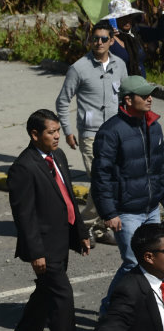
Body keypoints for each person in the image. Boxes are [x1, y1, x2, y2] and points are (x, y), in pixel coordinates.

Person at [6, 109, 90, 331]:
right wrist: (36, 253)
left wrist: (81, 232)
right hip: (44, 247)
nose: (56, 137)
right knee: (62, 297)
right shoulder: (23, 168)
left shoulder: (58, 156)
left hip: (61, 241)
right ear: (35, 135)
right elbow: (25, 215)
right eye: (51, 132)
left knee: (44, 296)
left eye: (57, 131)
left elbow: (68, 198)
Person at [90, 75, 164, 309]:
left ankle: (149, 309)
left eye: (150, 94)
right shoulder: (110, 132)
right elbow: (101, 175)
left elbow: (160, 170)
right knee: (133, 262)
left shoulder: (154, 126)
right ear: (128, 100)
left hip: (151, 209)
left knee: (154, 262)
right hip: (127, 212)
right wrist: (109, 212)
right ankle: (109, 309)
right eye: (144, 95)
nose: (150, 99)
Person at [55, 19, 128, 244]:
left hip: (116, 132)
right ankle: (85, 227)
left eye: (103, 39)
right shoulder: (79, 68)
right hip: (90, 134)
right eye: (95, 38)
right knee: (99, 179)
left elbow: (126, 96)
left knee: (108, 181)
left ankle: (95, 227)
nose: (98, 42)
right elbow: (62, 102)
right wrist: (67, 131)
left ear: (111, 41)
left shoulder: (120, 65)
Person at [107, 0, 148, 77]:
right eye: (122, 17)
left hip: (141, 84)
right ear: (114, 19)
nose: (126, 20)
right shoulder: (108, 39)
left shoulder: (135, 34)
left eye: (129, 16)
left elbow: (159, 32)